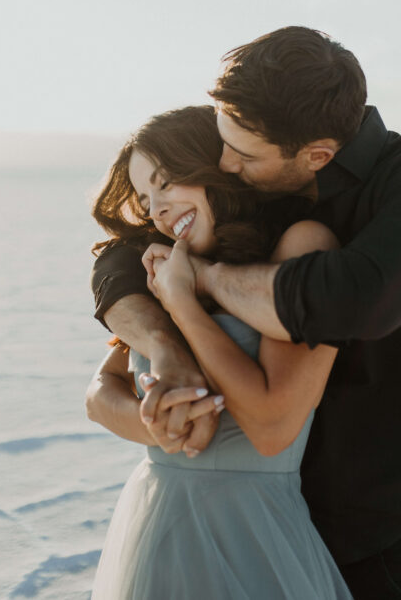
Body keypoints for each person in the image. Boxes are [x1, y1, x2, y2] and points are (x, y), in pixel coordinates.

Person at [91, 27, 401, 599]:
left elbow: (350, 302)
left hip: (374, 528)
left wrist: (199, 283)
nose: (226, 163)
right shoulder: (250, 189)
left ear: (317, 154)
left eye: (241, 154)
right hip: (210, 529)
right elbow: (120, 261)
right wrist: (165, 362)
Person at [86, 105, 353, 599]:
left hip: (257, 537)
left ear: (214, 166)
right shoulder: (163, 268)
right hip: (156, 530)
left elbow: (274, 423)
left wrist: (183, 303)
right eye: (146, 200)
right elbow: (100, 393)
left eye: (167, 182)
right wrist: (157, 422)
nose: (158, 209)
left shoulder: (300, 246)